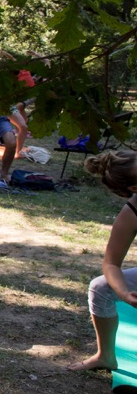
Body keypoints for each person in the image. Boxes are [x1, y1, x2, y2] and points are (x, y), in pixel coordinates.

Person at [68, 150, 137, 378]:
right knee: (101, 288)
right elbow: (111, 264)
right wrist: (125, 293)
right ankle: (105, 356)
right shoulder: (132, 213)